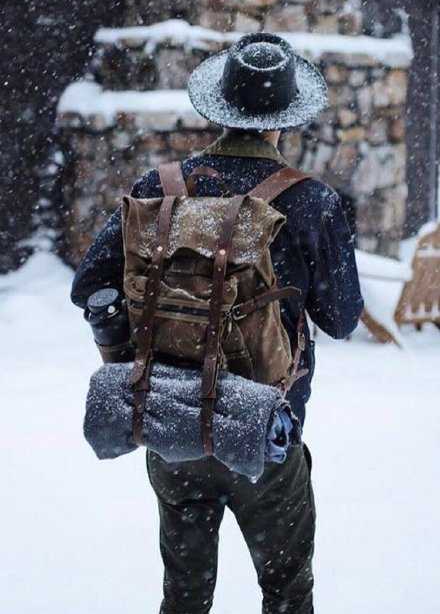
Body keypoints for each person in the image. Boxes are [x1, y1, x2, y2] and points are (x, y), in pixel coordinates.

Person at [71, 32, 363, 614]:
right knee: (286, 594)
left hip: (171, 422)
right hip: (266, 431)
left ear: (220, 109)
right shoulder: (311, 202)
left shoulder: (161, 189)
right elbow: (341, 318)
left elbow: (89, 288)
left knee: (184, 596)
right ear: (286, 119)